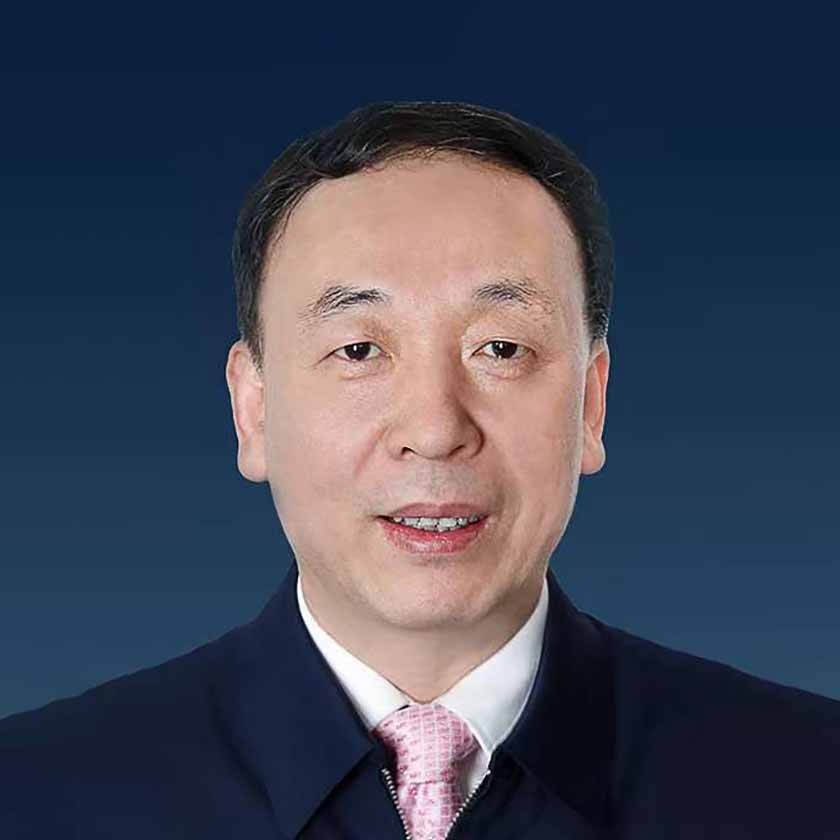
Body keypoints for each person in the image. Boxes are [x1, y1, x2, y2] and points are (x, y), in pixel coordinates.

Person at [1, 100, 837, 839]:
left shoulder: (808, 783)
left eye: (500, 348)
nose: (435, 432)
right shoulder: (37, 797)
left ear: (590, 404)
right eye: (359, 350)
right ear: (253, 409)